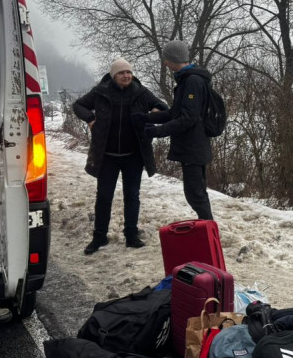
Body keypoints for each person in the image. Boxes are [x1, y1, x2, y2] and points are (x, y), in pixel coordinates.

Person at [73, 58, 166, 254]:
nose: (126, 76)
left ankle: (131, 236)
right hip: (107, 156)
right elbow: (78, 105)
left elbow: (162, 107)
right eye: (121, 73)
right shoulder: (101, 92)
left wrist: (153, 114)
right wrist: (90, 119)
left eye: (129, 73)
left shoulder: (141, 93)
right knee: (104, 197)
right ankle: (99, 237)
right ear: (114, 75)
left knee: (132, 196)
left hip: (133, 155)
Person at [144, 40, 215, 221]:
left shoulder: (192, 81)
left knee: (195, 194)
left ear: (173, 59)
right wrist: (147, 118)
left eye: (166, 59)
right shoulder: (187, 80)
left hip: (193, 147)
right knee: (196, 193)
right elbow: (176, 113)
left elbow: (188, 118)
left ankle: (208, 232)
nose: (165, 63)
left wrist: (157, 132)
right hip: (193, 146)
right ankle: (206, 228)